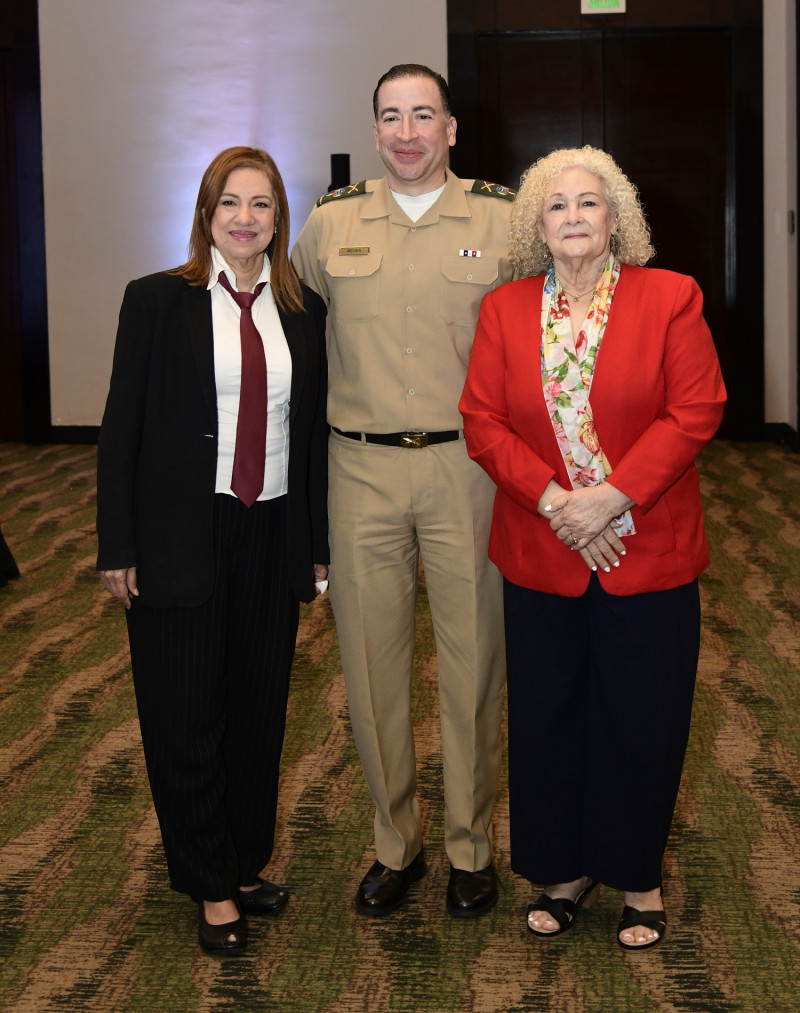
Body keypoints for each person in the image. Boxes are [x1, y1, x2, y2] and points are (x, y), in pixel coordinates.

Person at [459, 145, 726, 950]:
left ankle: (637, 873)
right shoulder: (504, 308)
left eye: (590, 204)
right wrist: (554, 503)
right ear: (536, 224)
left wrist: (610, 498)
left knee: (641, 714)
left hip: (647, 549)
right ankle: (562, 868)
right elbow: (482, 419)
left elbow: (697, 407)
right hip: (542, 548)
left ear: (619, 218)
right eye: (557, 206)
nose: (574, 218)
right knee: (547, 715)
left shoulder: (671, 297)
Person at [291, 64, 514, 918]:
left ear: (453, 128)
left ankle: (469, 847)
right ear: (375, 129)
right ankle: (398, 845)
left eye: (425, 115)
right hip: (360, 472)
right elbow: (297, 327)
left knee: (472, 664)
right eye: (392, 117)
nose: (408, 131)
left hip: (468, 469)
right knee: (372, 667)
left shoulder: (500, 218)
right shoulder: (329, 223)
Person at [96, 146, 329, 956]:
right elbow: (120, 426)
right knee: (183, 714)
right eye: (231, 202)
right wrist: (116, 543)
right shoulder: (156, 301)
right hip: (177, 536)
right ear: (205, 213)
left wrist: (316, 544)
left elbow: (311, 443)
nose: (245, 218)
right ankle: (208, 882)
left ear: (278, 219)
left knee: (258, 711)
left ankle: (241, 860)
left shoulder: (301, 311)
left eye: (262, 205)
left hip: (269, 532)